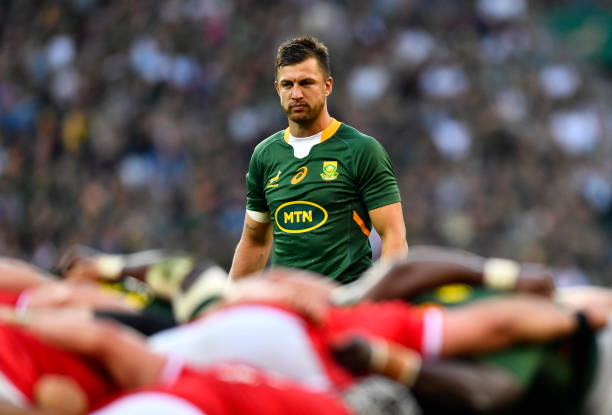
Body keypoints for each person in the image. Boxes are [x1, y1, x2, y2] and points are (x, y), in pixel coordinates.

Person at [229, 36, 408, 284]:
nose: (296, 94)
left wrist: (382, 303)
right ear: (277, 89)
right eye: (288, 84)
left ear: (327, 86)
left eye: (306, 83)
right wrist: (228, 306)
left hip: (343, 305)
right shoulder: (265, 155)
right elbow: (254, 242)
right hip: (288, 310)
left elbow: (394, 236)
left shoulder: (361, 150)